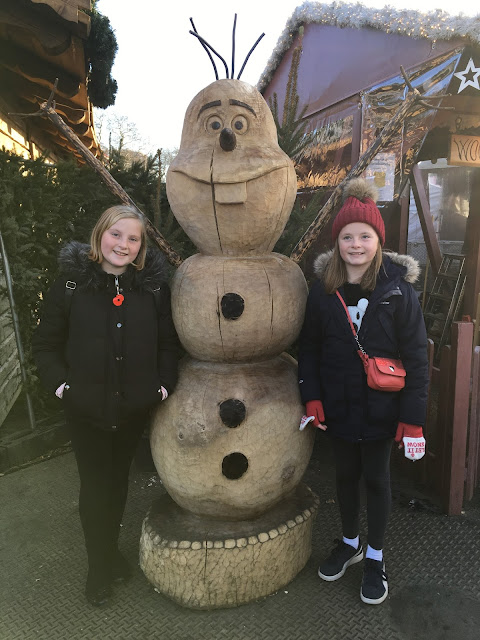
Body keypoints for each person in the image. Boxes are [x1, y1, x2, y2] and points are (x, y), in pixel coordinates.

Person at [32, 205, 179, 607]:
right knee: (96, 488)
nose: (123, 245)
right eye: (116, 234)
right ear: (100, 236)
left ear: (141, 247)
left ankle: (110, 551)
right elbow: (45, 345)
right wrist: (64, 388)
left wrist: (162, 386)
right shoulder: (71, 285)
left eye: (133, 239)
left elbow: (168, 344)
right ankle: (98, 567)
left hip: (132, 410)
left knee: (117, 484)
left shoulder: (151, 290)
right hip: (86, 410)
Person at [298, 178, 428, 605]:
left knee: (376, 478)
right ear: (337, 242)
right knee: (345, 476)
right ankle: (350, 542)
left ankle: (375, 555)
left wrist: (412, 421)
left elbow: (417, 359)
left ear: (378, 240)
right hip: (337, 406)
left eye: (365, 236)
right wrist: (311, 396)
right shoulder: (323, 292)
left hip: (381, 409)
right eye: (347, 236)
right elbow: (310, 348)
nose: (356, 244)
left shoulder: (398, 291)